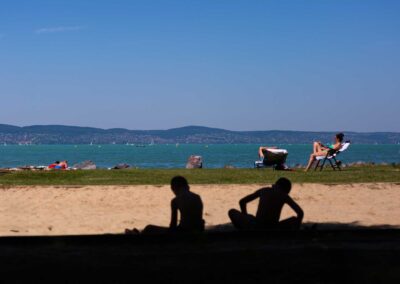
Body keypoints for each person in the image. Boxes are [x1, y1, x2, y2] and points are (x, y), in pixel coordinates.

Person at [125, 176, 205, 234]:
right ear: (187, 186)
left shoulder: (175, 201)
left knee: (149, 228)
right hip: (198, 231)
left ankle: (137, 235)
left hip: (183, 233)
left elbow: (173, 225)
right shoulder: (197, 197)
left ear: (173, 189)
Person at [228, 178, 303, 231]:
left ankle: (243, 230)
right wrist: (297, 227)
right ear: (286, 190)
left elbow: (242, 201)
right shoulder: (284, 195)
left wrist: (245, 215)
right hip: (273, 228)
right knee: (294, 220)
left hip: (257, 225)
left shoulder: (264, 190)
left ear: (276, 184)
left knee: (231, 211)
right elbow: (300, 213)